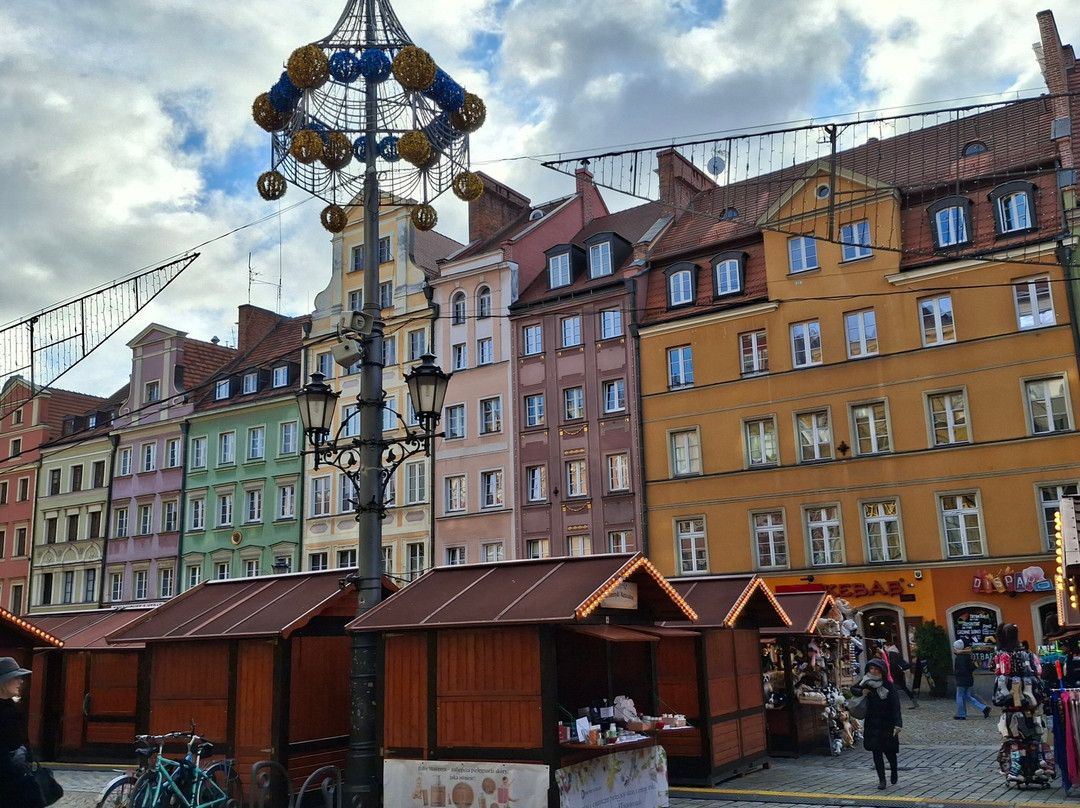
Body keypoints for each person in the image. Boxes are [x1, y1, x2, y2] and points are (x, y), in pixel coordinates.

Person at [852, 657, 902, 790]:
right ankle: (882, 779)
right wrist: (862, 691)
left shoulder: (888, 685)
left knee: (890, 751)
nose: (873, 671)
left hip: (887, 722)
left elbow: (896, 705)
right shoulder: (865, 682)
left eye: (876, 669)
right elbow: (853, 689)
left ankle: (894, 770)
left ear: (882, 670)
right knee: (876, 752)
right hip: (872, 721)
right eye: (871, 669)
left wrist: (898, 723)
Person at [0, 656, 41, 808]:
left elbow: (22, 738)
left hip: (18, 777)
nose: (21, 681)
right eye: (16, 677)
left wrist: (26, 754)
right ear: (3, 681)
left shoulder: (14, 708)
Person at [952, 640, 991, 720]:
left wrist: (956, 675)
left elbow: (960, 670)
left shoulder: (959, 658)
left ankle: (961, 714)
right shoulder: (968, 656)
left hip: (961, 680)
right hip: (969, 679)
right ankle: (983, 708)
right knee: (968, 696)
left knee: (959, 696)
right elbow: (971, 668)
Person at [886, 644, 919, 709]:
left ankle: (891, 703)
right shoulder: (896, 652)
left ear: (889, 646)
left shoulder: (892, 653)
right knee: (903, 687)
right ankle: (914, 700)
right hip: (899, 673)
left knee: (891, 687)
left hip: (895, 673)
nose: (885, 648)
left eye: (886, 646)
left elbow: (893, 664)